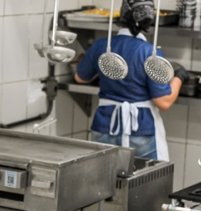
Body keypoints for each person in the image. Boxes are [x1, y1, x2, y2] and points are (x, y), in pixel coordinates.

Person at [73, 0, 189, 161]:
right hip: (140, 130)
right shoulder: (150, 53)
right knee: (144, 181)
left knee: (102, 180)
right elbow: (164, 102)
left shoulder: (102, 46)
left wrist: (88, 63)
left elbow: (80, 77)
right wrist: (180, 76)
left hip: (105, 126)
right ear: (148, 22)